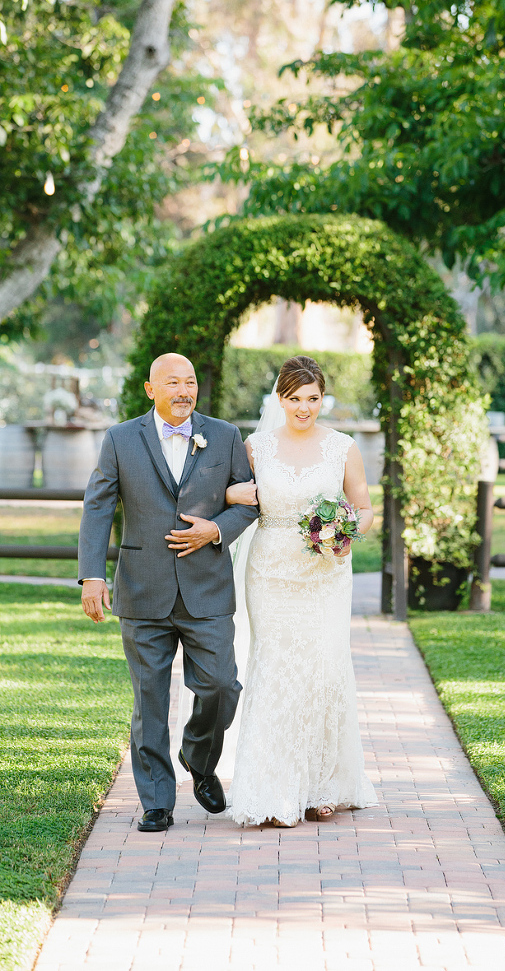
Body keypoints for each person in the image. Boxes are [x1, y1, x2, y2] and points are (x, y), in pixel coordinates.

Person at [78, 353, 259, 833]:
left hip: (207, 587)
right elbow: (98, 506)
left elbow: (249, 500)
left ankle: (198, 757)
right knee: (150, 700)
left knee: (222, 686)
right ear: (150, 389)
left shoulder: (224, 436)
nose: (184, 390)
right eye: (173, 382)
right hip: (143, 587)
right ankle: (157, 801)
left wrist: (215, 530)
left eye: (191, 382)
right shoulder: (120, 438)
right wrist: (92, 574)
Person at [222, 355, 378, 827]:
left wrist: (347, 533)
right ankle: (272, 788)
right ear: (280, 399)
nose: (304, 408)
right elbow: (227, 492)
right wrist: (231, 495)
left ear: (323, 397)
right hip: (269, 573)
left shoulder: (343, 447)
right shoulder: (256, 447)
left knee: (324, 670)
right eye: (294, 399)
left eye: (312, 399)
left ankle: (322, 785)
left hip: (326, 575)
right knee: (274, 669)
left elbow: (364, 507)